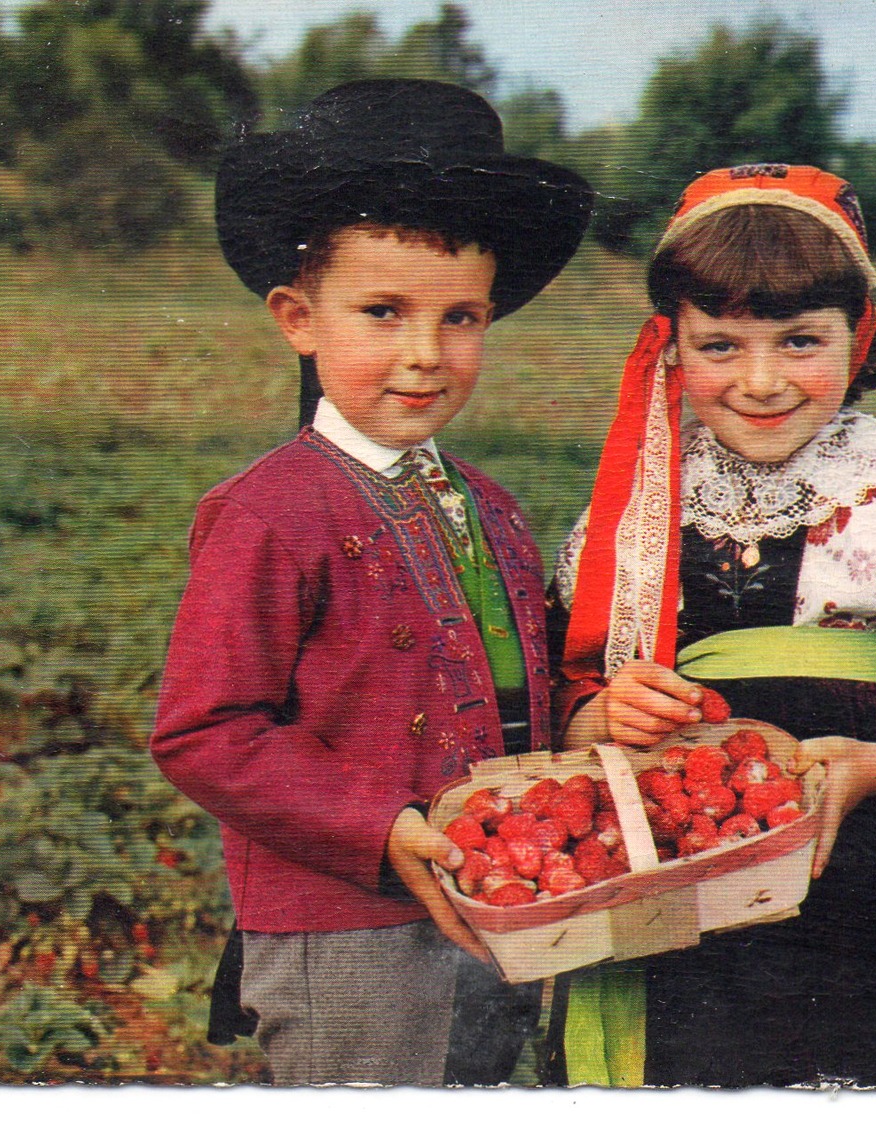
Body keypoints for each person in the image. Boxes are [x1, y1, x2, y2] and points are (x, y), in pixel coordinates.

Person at [547, 164, 876, 1088]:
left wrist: (874, 767)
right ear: (669, 344)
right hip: (673, 864)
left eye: (799, 342)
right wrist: (599, 717)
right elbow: (562, 684)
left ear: (857, 335)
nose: (759, 381)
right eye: (718, 347)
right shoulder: (636, 504)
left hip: (871, 884)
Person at [149, 79, 592, 1086]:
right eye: (382, 313)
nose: (424, 356)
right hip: (346, 937)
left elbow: (525, 687)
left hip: (496, 910)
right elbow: (202, 731)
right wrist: (381, 824)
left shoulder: (493, 508)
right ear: (298, 319)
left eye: (460, 317)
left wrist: (591, 721)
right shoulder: (271, 511)